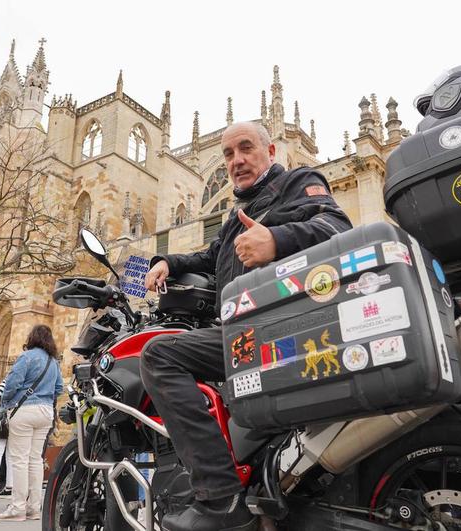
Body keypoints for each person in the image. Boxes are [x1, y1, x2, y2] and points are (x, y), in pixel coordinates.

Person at [141, 122, 353, 531]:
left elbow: (336, 228)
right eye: (228, 154)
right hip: (248, 330)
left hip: (280, 325)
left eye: (246, 148)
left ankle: (219, 498)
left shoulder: (297, 183)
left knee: (159, 355)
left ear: (270, 150)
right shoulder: (239, 216)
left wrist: (277, 239)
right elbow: (210, 256)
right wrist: (168, 262)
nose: (237, 161)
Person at [0, 325, 63, 522]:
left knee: (20, 460)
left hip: (23, 410)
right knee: (35, 460)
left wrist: (6, 403)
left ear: (32, 338)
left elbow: (12, 383)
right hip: (45, 412)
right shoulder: (53, 361)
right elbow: (58, 388)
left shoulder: (27, 357)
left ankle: (17, 507)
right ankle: (34, 507)